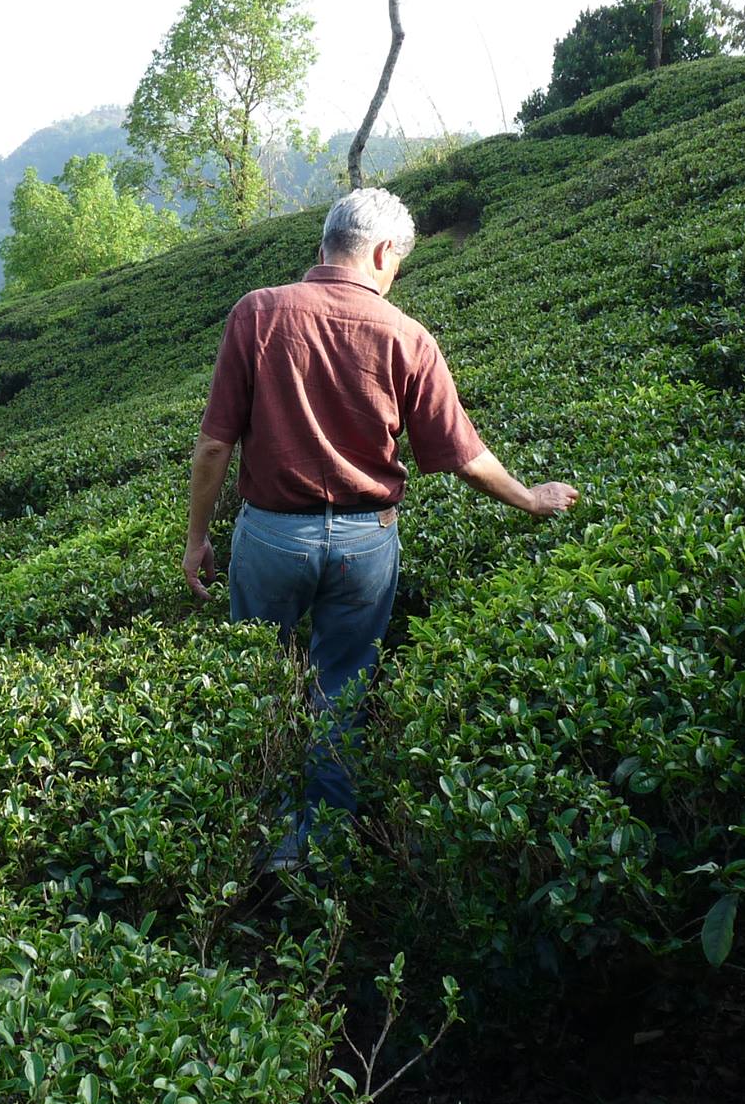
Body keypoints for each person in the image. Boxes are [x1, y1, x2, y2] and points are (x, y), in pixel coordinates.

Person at [183, 187, 579, 869]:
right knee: (341, 688)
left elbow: (214, 446)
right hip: (366, 542)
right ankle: (328, 846)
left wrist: (196, 539)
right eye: (398, 262)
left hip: (272, 537)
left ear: (325, 243)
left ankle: (273, 847)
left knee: (265, 684)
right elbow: (463, 455)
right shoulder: (405, 335)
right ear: (382, 251)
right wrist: (530, 499)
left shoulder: (258, 313)